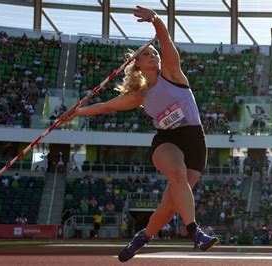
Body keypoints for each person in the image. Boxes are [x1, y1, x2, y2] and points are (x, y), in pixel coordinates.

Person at [60, 5, 218, 262]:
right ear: (137, 65)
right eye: (148, 54)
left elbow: (165, 39)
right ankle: (196, 233)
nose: (154, 55)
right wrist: (76, 113)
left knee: (169, 205)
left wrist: (155, 20)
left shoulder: (173, 73)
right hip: (167, 141)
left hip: (195, 140)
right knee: (177, 173)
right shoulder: (140, 95)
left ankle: (142, 237)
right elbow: (106, 106)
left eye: (154, 52)